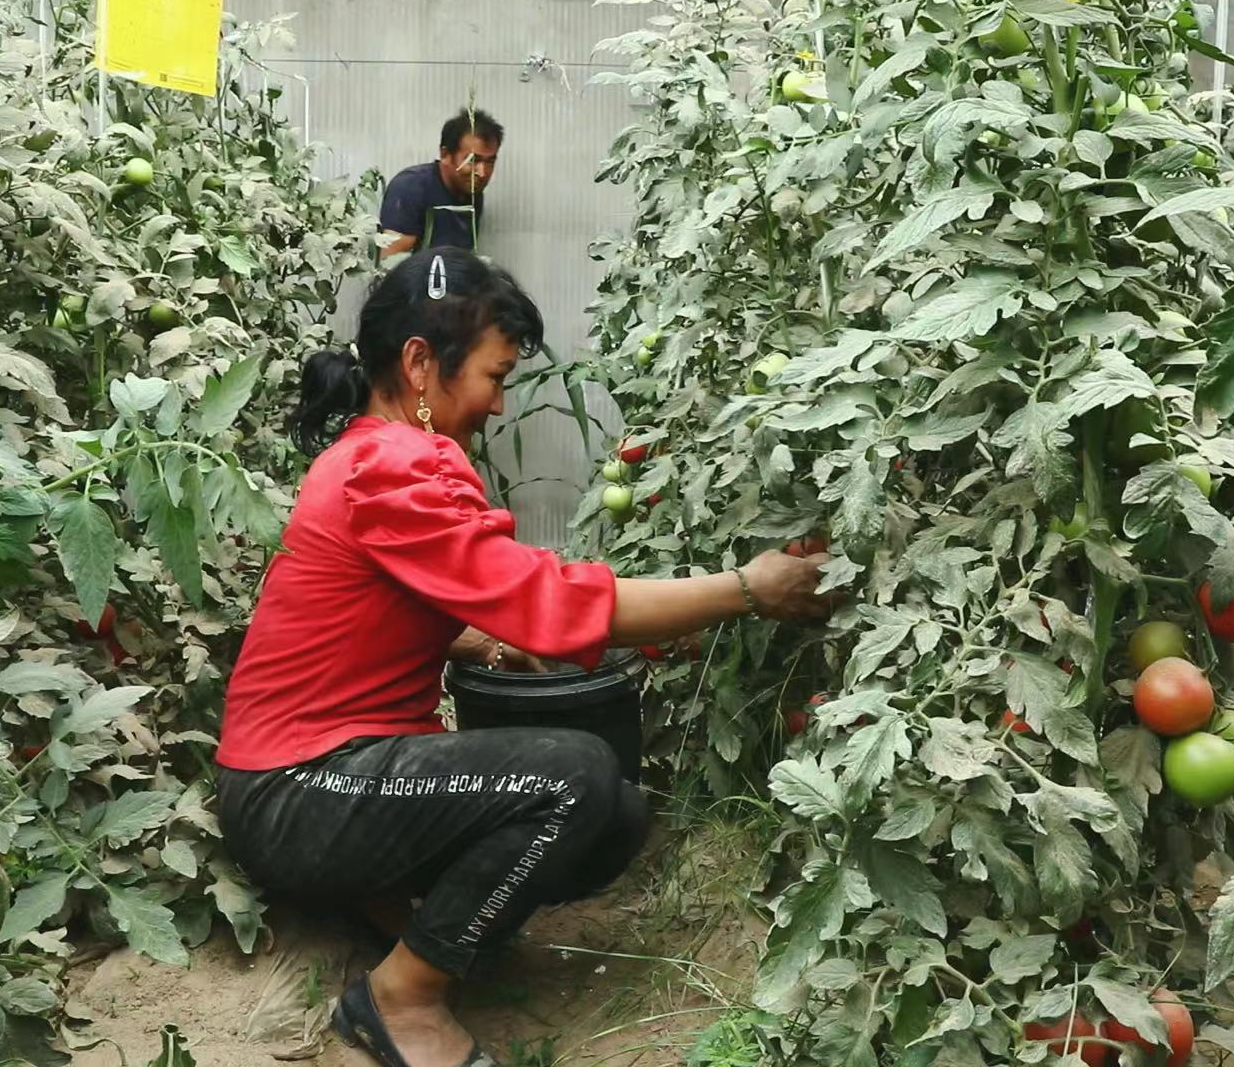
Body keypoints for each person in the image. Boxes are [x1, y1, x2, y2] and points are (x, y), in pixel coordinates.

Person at [215, 247, 837, 1067]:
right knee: (572, 776)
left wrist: (476, 636)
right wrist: (746, 589)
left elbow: (362, 603)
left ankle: (392, 911)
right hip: (296, 789)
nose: (499, 403)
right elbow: (547, 600)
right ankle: (402, 996)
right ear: (419, 364)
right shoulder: (391, 464)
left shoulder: (370, 454)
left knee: (615, 814)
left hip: (325, 778)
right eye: (494, 376)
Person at [379, 111, 503, 257]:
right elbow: (391, 263)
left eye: (490, 162)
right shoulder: (410, 188)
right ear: (445, 155)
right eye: (472, 160)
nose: (482, 173)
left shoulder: (471, 191)